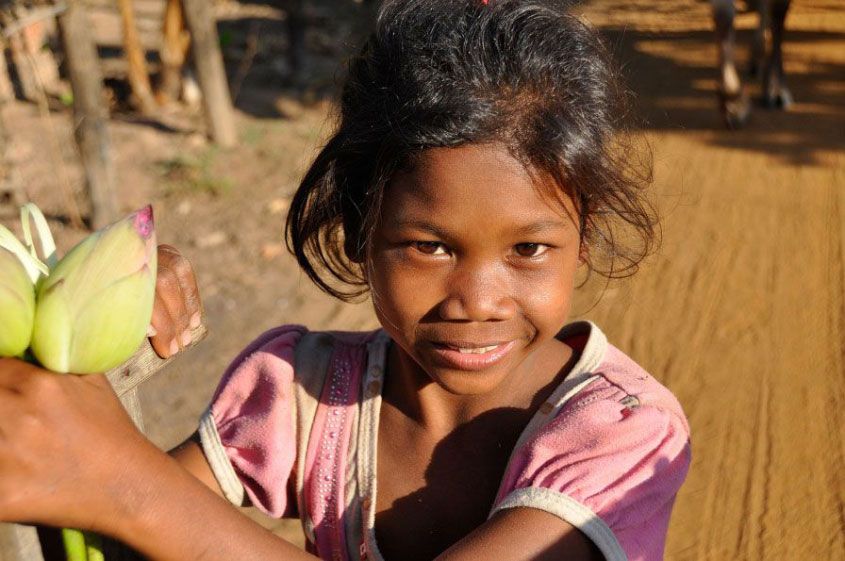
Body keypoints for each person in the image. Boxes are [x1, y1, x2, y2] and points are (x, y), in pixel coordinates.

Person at [0, 0, 691, 560]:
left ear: (585, 237)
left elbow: (132, 494)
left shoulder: (622, 438)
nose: (478, 300)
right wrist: (109, 310)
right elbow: (107, 518)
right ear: (359, 229)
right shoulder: (300, 391)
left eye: (529, 248)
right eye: (428, 245)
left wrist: (128, 484)